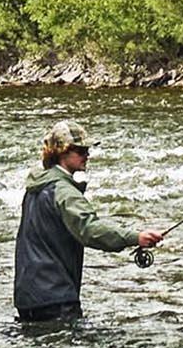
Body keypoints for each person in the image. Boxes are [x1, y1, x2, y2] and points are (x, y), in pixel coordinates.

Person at [12, 123, 165, 331]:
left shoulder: (36, 188)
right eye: (81, 150)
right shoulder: (64, 192)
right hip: (56, 297)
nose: (87, 155)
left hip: (28, 297)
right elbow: (90, 230)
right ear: (62, 152)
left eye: (88, 150)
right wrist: (135, 237)